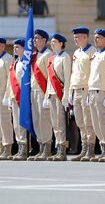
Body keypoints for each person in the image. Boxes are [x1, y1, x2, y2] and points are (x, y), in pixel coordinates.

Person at [69, 27, 97, 162]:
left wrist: (90, 91)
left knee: (88, 121)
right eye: (74, 37)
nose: (75, 39)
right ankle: (84, 148)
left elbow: (94, 73)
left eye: (77, 36)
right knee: (80, 121)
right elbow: (74, 73)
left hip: (86, 89)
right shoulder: (76, 52)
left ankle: (90, 149)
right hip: (76, 89)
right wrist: (70, 92)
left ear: (85, 37)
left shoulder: (92, 52)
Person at [88, 29, 105, 162]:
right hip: (92, 90)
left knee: (104, 121)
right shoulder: (95, 54)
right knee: (95, 122)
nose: (96, 40)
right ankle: (103, 147)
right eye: (95, 37)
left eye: (98, 38)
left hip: (102, 90)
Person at [27, 29, 53, 161]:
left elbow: (50, 78)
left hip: (43, 92)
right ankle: (41, 147)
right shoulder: (35, 55)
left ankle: (47, 148)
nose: (34, 40)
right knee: (37, 121)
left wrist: (48, 95)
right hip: (34, 91)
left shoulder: (48, 55)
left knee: (44, 121)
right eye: (34, 38)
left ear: (44, 40)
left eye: (37, 38)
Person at [46, 33, 71, 161]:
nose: (52, 43)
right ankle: (57, 148)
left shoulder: (65, 57)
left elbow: (67, 78)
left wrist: (66, 95)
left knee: (60, 123)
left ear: (61, 43)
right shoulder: (51, 58)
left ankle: (62, 150)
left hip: (59, 94)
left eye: (54, 41)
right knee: (54, 123)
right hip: (51, 93)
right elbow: (49, 80)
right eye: (51, 42)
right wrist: (46, 95)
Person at [9, 39, 28, 161]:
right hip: (13, 96)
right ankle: (19, 146)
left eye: (17, 47)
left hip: (22, 96)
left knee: (22, 124)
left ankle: (24, 149)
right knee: (16, 124)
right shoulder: (14, 63)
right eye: (14, 47)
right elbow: (9, 82)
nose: (15, 49)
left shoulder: (26, 63)